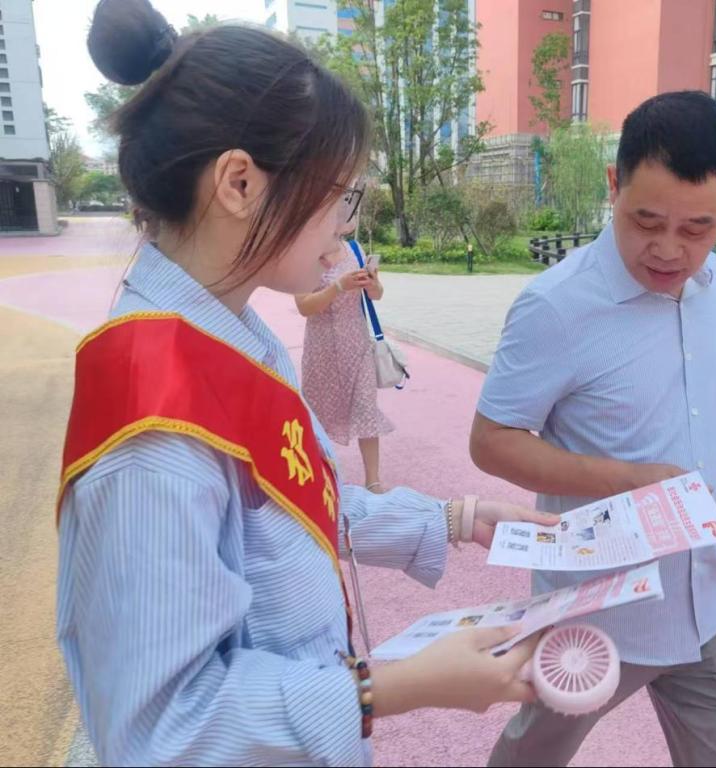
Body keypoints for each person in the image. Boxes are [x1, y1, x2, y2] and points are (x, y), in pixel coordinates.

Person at [57, 3, 556, 765]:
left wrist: (453, 518)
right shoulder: (152, 433)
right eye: (341, 194)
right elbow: (162, 728)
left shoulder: (229, 331)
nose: (346, 223)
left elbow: (294, 503)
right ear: (239, 182)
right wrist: (388, 689)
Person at [470, 91, 716, 767]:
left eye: (698, 228)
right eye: (646, 220)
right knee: (535, 752)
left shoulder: (713, 283)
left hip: (701, 595)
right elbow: (491, 441)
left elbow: (701, 425)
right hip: (599, 607)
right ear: (613, 185)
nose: (670, 249)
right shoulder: (557, 306)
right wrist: (633, 482)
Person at [296, 225, 392, 493]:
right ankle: (320, 477)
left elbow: (377, 295)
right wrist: (338, 286)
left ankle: (373, 481)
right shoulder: (304, 253)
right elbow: (304, 306)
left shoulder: (355, 250)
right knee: (319, 415)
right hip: (321, 349)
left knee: (366, 407)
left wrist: (372, 284)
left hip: (357, 343)